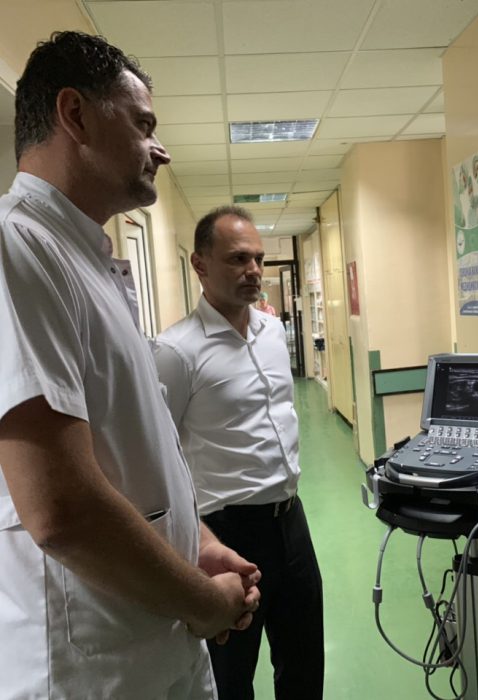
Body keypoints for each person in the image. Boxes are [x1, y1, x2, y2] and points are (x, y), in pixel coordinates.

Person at [0, 31, 261, 699]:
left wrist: (194, 541)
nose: (160, 149)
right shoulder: (17, 249)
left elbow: (128, 454)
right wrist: (203, 601)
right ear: (75, 115)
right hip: (93, 668)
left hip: (148, 647)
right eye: (143, 125)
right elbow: (60, 508)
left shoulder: (84, 258)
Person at [154, 205, 324, 700]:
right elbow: (160, 452)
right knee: (231, 676)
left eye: (258, 259)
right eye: (237, 259)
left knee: (304, 662)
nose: (253, 270)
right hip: (227, 534)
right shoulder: (176, 352)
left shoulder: (273, 331)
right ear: (200, 264)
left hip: (291, 521)